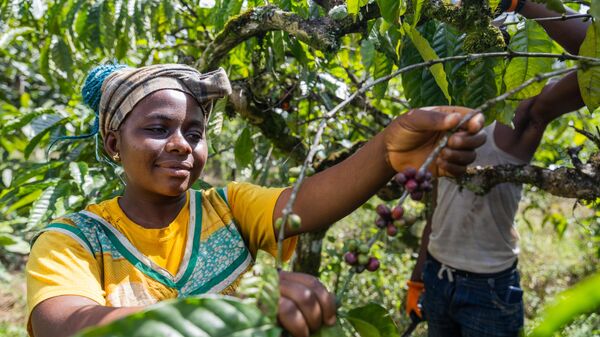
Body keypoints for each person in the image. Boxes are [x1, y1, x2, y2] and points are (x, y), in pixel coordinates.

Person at [25, 63, 486, 337]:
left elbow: (305, 202)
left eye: (194, 132)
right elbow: (62, 325)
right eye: (158, 129)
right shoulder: (75, 240)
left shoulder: (226, 209)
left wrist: (387, 150)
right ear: (112, 144)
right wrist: (222, 316)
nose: (183, 144)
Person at [406, 1, 590, 336]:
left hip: (488, 288)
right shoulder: (446, 113)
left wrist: (521, 3)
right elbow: (437, 205)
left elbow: (596, 54)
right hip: (437, 272)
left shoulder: (524, 114)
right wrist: (417, 278)